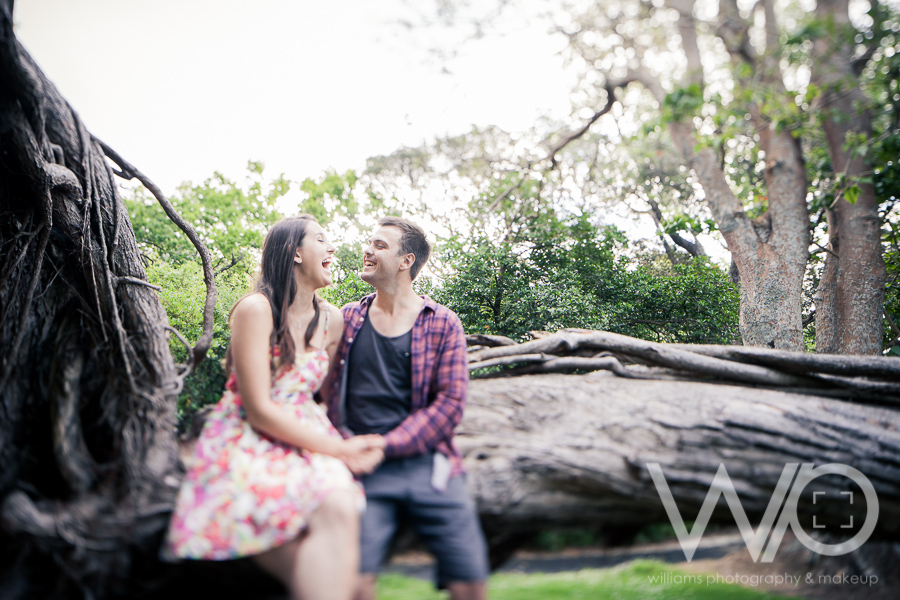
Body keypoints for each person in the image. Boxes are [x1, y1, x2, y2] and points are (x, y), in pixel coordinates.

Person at [163, 215, 382, 600]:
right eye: (320, 239)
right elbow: (259, 408)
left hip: (308, 434)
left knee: (341, 505)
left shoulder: (332, 319)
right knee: (325, 547)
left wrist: (352, 440)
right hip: (250, 434)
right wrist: (339, 450)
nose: (333, 248)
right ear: (294, 253)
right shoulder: (256, 309)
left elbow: (327, 397)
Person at [323, 217, 489, 600]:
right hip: (359, 470)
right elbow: (323, 390)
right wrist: (347, 446)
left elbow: (449, 407)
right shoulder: (345, 318)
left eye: (380, 245)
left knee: (471, 584)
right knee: (355, 584)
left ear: (405, 261)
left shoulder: (443, 323)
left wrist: (386, 445)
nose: (367, 249)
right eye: (370, 242)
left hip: (430, 466)